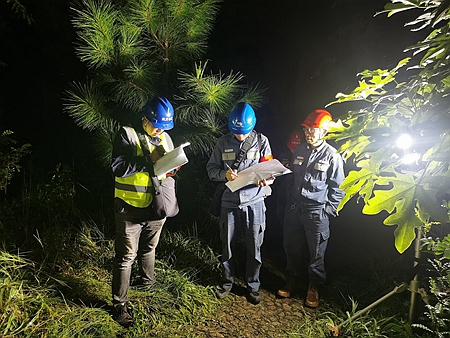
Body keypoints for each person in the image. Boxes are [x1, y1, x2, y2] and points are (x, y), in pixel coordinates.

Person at [111, 97, 176, 327]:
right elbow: (118, 167)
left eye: (164, 127)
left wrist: (172, 168)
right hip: (129, 207)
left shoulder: (165, 137)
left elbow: (163, 168)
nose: (160, 131)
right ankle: (119, 304)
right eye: (156, 125)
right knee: (126, 257)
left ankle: (147, 283)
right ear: (145, 119)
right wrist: (147, 161)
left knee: (150, 248)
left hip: (156, 206)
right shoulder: (126, 135)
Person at [206, 102, 274, 305]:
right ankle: (227, 282)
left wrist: (266, 179)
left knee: (255, 246)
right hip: (229, 202)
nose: (241, 136)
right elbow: (211, 169)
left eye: (244, 132)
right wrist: (223, 174)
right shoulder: (222, 142)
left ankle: (253, 286)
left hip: (255, 200)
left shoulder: (262, 141)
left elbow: (270, 169)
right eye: (237, 133)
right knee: (227, 245)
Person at [277, 109, 345, 308]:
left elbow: (339, 187)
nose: (308, 133)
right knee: (291, 246)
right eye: (306, 129)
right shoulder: (299, 150)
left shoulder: (332, 155)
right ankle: (292, 280)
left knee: (316, 252)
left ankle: (314, 286)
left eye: (313, 130)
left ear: (324, 132)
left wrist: (329, 210)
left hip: (316, 211)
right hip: (295, 207)